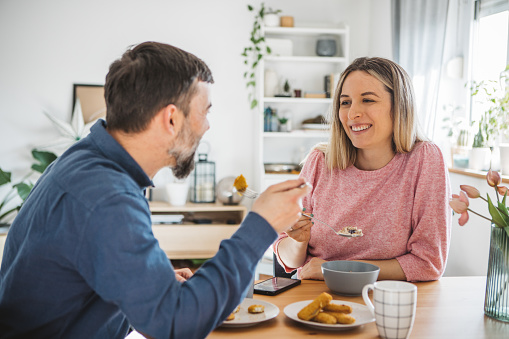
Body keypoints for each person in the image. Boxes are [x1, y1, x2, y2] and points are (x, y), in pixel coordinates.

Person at [0, 42, 310, 338]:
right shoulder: (109, 198)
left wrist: (151, 286)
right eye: (204, 112)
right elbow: (174, 327)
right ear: (172, 118)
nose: (206, 126)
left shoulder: (85, 159)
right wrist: (262, 226)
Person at [274, 57, 451, 282]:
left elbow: (428, 263)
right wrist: (298, 241)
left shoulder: (424, 160)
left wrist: (336, 269)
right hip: (316, 298)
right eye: (345, 102)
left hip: (386, 303)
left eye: (367, 100)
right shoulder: (320, 161)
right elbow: (288, 260)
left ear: (399, 106)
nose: (352, 114)